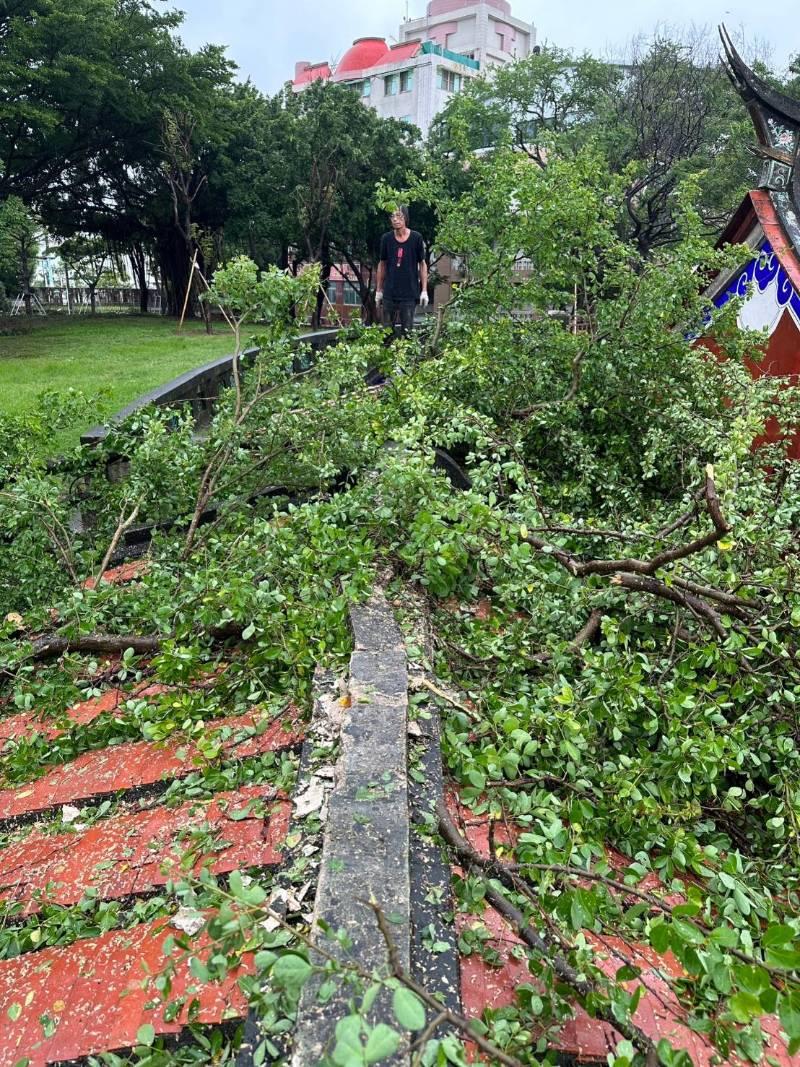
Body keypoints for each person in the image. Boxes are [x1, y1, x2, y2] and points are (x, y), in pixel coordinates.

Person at [375, 207, 428, 337]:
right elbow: (382, 264)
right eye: (392, 216)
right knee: (386, 333)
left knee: (408, 333)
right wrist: (378, 290)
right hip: (389, 292)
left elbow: (422, 264)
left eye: (399, 216)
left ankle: (407, 357)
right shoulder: (386, 238)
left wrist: (424, 290)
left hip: (409, 293)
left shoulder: (416, 238)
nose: (395, 219)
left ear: (405, 217)